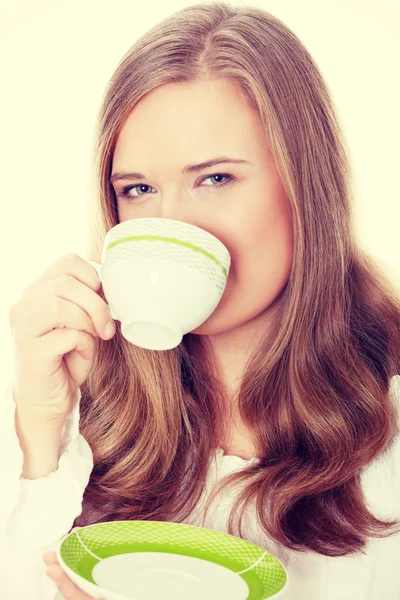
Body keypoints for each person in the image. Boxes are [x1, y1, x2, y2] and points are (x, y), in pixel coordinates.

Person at [2, 2, 400, 599]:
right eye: (138, 189)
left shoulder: (388, 417)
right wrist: (41, 432)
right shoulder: (80, 398)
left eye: (215, 179)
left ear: (305, 189)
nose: (171, 227)